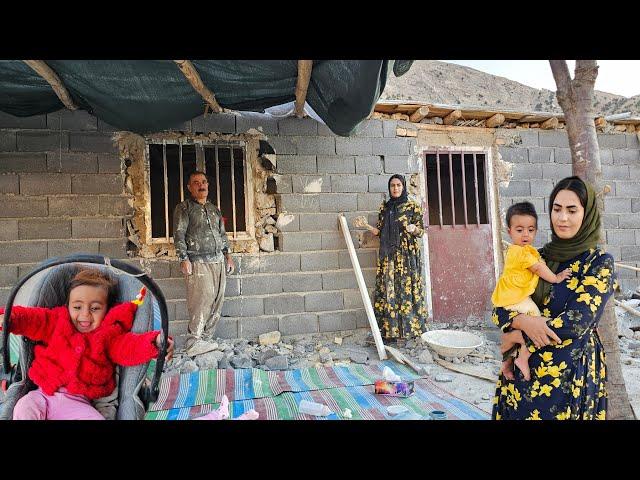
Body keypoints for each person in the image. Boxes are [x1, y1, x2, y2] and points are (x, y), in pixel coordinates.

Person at [492, 176, 616, 420]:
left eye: (572, 210)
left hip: (568, 376)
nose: (562, 218)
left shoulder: (598, 263)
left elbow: (576, 322)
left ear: (587, 213)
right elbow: (500, 306)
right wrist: (522, 324)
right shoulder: (535, 258)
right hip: (523, 376)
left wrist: (516, 334)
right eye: (556, 209)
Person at [0, 268, 174, 420]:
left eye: (95, 308)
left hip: (79, 403)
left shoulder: (108, 335)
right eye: (77, 307)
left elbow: (129, 346)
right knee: (23, 406)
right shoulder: (56, 321)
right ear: (67, 306)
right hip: (43, 394)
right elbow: (32, 320)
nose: (85, 315)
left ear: (107, 310)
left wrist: (156, 342)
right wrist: (9, 319)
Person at [491, 201, 572, 381]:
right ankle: (523, 357)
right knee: (536, 321)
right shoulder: (521, 252)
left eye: (531, 230)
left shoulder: (527, 250)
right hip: (514, 298)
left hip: (512, 296)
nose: (526, 234)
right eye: (519, 230)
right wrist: (556, 278)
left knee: (531, 323)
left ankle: (508, 357)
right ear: (509, 231)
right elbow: (538, 269)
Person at [173, 171, 235, 357]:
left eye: (204, 182)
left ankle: (206, 340)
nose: (201, 185)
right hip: (198, 262)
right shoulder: (184, 208)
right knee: (201, 301)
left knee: (217, 301)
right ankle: (193, 343)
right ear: (189, 187)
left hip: (218, 261)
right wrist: (183, 259)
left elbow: (222, 234)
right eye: (196, 182)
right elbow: (179, 234)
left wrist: (228, 256)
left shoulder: (214, 209)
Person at [361, 174, 428, 343]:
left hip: (407, 257)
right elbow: (380, 231)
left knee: (407, 290)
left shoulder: (412, 206)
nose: (396, 188)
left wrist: (413, 228)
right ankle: (389, 331)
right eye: (392, 185)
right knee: (389, 289)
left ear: (403, 186)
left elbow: (422, 231)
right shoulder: (385, 207)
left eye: (398, 185)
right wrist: (366, 226)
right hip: (389, 256)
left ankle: (410, 331)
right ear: (389, 188)